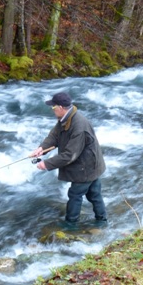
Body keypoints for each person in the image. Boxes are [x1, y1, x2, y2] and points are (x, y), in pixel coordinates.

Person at [30, 92, 107, 225]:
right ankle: (102, 221)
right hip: (91, 164)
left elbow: (69, 155)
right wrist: (42, 148)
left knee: (75, 195)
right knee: (94, 194)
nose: (52, 109)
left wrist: (47, 164)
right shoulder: (66, 117)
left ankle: (70, 225)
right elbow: (55, 135)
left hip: (86, 167)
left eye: (53, 107)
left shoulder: (79, 126)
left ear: (60, 107)